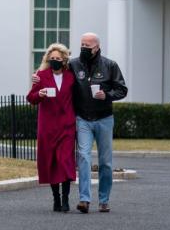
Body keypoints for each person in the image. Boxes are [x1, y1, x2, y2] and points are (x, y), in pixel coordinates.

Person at [32, 32, 127, 213]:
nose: (83, 48)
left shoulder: (110, 65)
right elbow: (54, 74)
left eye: (87, 46)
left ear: (97, 48)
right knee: (83, 157)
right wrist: (37, 77)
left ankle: (104, 200)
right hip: (83, 119)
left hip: (104, 118)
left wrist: (107, 95)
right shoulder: (74, 65)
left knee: (105, 161)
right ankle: (84, 200)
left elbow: (122, 89)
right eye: (82, 44)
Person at [27, 43, 76, 212]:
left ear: (64, 60)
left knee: (65, 162)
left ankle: (66, 199)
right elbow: (30, 98)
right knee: (52, 162)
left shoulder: (71, 76)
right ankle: (56, 198)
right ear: (48, 59)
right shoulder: (41, 75)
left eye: (58, 58)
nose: (55, 60)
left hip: (67, 126)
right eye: (52, 58)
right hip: (48, 126)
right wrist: (39, 94)